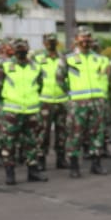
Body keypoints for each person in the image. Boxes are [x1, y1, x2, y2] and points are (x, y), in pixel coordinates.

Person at [0, 38, 47, 185]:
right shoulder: (4, 66)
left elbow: (40, 86)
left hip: (32, 110)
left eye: (23, 47)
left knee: (33, 143)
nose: (20, 50)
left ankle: (33, 172)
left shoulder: (36, 67)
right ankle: (10, 173)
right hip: (12, 111)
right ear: (13, 50)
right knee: (9, 143)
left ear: (27, 48)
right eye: (17, 48)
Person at [61, 27, 111, 177]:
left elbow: (108, 79)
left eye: (88, 38)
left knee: (97, 134)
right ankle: (74, 166)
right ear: (76, 39)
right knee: (75, 135)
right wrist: (70, 95)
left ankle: (96, 165)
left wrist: (103, 96)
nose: (86, 40)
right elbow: (59, 79)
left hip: (97, 102)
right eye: (82, 38)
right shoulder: (67, 59)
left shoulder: (101, 59)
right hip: (77, 103)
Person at [35, 32, 68, 169]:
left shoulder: (64, 58)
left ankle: (61, 158)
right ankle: (41, 159)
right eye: (49, 42)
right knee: (43, 132)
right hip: (44, 101)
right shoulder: (37, 59)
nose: (52, 44)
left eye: (54, 41)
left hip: (62, 100)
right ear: (44, 43)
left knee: (62, 132)